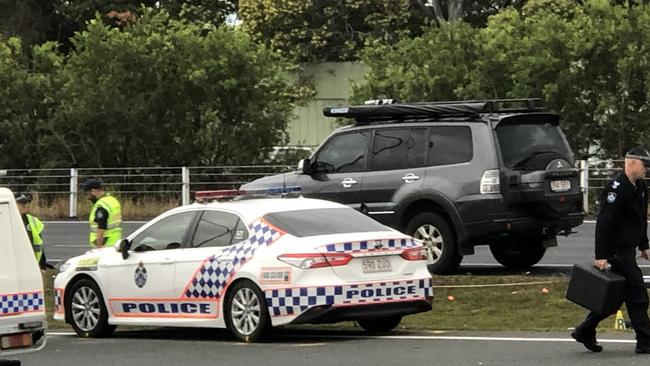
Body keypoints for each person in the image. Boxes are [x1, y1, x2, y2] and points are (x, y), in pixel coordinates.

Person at [572, 146, 650, 354]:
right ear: (632, 163)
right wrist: (601, 255)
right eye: (644, 165)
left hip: (628, 250)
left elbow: (640, 219)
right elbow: (605, 223)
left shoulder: (641, 187)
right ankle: (645, 341)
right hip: (616, 252)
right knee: (638, 295)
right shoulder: (616, 188)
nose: (646, 170)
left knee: (614, 297)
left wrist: (644, 245)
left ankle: (584, 330)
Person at [83, 178, 122, 248]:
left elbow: (101, 227)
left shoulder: (101, 206)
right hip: (115, 242)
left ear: (93, 191)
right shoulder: (112, 200)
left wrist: (99, 247)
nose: (88, 197)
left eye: (88, 194)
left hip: (104, 245)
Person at [15, 192, 47, 269]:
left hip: (31, 263)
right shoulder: (5, 219)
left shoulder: (33, 221)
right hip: (14, 261)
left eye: (27, 202)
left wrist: (42, 265)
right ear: (14, 204)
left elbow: (39, 245)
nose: (26, 205)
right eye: (22, 203)